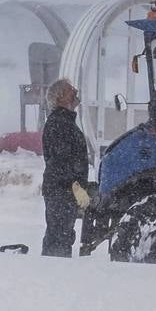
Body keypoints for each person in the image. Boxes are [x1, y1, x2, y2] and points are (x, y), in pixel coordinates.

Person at [41, 78, 89, 258]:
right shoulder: (59, 123)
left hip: (64, 190)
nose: (76, 91)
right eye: (71, 90)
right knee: (59, 236)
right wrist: (75, 185)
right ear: (60, 97)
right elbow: (61, 162)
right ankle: (54, 273)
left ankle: (56, 271)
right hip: (60, 191)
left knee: (63, 235)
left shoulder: (65, 122)